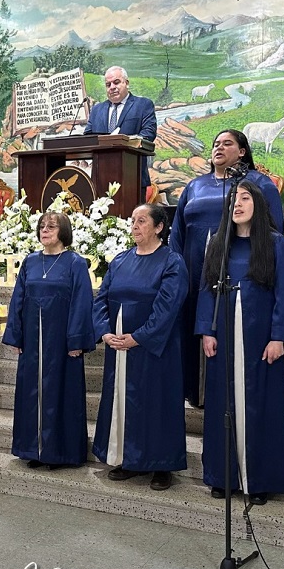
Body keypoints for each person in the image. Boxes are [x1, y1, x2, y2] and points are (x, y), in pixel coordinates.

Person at [169, 128, 284, 407]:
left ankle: (228, 395)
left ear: (242, 151)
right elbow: (177, 233)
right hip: (195, 268)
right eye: (215, 143)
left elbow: (274, 230)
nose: (218, 148)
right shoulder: (195, 185)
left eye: (227, 143)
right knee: (195, 324)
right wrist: (175, 271)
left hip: (242, 273)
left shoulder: (259, 184)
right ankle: (194, 390)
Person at [196, 181, 284, 504]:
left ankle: (259, 478)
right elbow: (206, 288)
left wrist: (279, 337)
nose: (237, 204)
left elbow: (283, 293)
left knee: (260, 405)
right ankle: (222, 475)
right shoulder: (218, 245)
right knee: (221, 404)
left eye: (245, 197)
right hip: (222, 335)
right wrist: (206, 331)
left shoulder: (275, 244)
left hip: (260, 338)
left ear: (259, 204)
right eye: (233, 199)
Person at [93, 204, 188, 491]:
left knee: (157, 402)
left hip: (154, 347)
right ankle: (127, 458)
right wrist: (105, 332)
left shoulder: (172, 262)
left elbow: (168, 307)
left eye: (142, 220)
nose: (134, 225)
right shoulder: (120, 260)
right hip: (119, 345)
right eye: (132, 220)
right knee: (123, 399)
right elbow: (100, 299)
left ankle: (162, 464)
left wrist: (141, 337)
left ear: (159, 227)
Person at [2, 212, 95, 468]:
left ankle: (59, 452)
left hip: (62, 345)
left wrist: (76, 341)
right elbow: (18, 299)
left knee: (61, 394)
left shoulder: (75, 263)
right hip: (32, 343)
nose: (45, 230)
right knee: (31, 395)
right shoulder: (31, 262)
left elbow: (82, 303)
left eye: (51, 227)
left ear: (62, 231)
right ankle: (33, 449)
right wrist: (15, 334)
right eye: (42, 226)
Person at [84, 66, 157, 201]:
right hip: (100, 179)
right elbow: (88, 137)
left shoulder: (142, 105)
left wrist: (123, 141)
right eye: (108, 84)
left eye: (116, 82)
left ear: (127, 83)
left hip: (132, 176)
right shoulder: (97, 110)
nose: (112, 87)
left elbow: (149, 133)